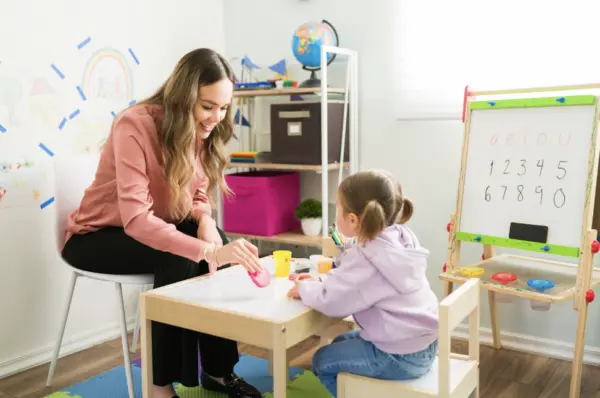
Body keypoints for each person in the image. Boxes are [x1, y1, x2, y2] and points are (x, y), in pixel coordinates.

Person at [62, 48, 263, 398]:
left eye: (224, 107)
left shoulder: (200, 130)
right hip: (97, 236)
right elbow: (137, 220)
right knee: (180, 255)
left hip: (150, 226)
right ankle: (159, 386)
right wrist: (207, 250)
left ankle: (218, 371)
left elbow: (198, 191)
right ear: (183, 97)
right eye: (208, 106)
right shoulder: (134, 125)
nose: (217, 117)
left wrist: (205, 222)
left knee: (212, 247)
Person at [287, 170, 439, 397]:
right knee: (339, 341)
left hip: (397, 355)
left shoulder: (367, 256)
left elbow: (332, 300)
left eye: (338, 207)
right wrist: (321, 280)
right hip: (425, 345)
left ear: (352, 220)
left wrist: (303, 288)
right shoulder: (399, 237)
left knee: (321, 361)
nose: (335, 213)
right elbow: (352, 281)